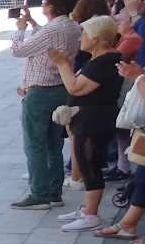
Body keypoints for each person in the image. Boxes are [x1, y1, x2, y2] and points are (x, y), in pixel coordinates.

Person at [49, 16, 126, 232]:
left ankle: (91, 215)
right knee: (85, 163)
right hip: (91, 118)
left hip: (95, 120)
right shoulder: (99, 59)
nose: (80, 38)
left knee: (89, 165)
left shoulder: (104, 61)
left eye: (84, 34)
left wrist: (61, 64)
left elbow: (75, 87)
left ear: (95, 38)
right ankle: (86, 208)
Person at [9, 0, 82, 210]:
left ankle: (39, 194)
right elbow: (46, 37)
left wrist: (20, 30)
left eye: (44, 2)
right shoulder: (73, 26)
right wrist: (32, 22)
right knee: (54, 143)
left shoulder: (52, 30)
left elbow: (18, 50)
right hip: (61, 88)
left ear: (50, 6)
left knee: (34, 145)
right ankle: (54, 191)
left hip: (40, 92)